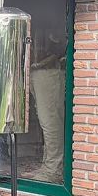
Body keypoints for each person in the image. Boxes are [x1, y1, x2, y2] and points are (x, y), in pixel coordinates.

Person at [28, 32, 66, 183]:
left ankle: (54, 169)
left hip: (48, 72)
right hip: (40, 71)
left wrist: (41, 64)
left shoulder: (55, 14)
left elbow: (60, 48)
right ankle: (49, 166)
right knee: (46, 121)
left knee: (50, 122)